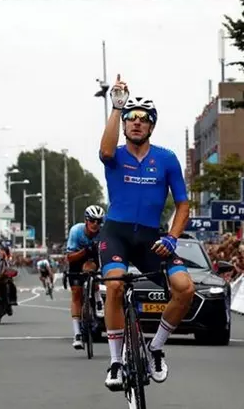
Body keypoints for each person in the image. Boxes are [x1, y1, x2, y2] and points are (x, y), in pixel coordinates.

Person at [98, 75, 194, 391]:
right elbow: (104, 150)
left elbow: (183, 203)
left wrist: (172, 237)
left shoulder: (166, 159)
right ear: (124, 124)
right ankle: (114, 361)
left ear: (151, 126)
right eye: (131, 119)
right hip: (117, 234)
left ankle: (155, 348)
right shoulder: (116, 155)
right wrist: (117, 107)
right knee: (113, 286)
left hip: (152, 238)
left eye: (144, 119)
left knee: (184, 287)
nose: (137, 123)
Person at [65, 204, 105, 349]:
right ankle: (77, 335)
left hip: (94, 259)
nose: (95, 224)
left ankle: (98, 298)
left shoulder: (103, 233)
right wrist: (84, 251)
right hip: (77, 257)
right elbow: (69, 258)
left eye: (99, 221)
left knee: (90, 269)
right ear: (86, 220)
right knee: (76, 294)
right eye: (92, 220)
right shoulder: (76, 231)